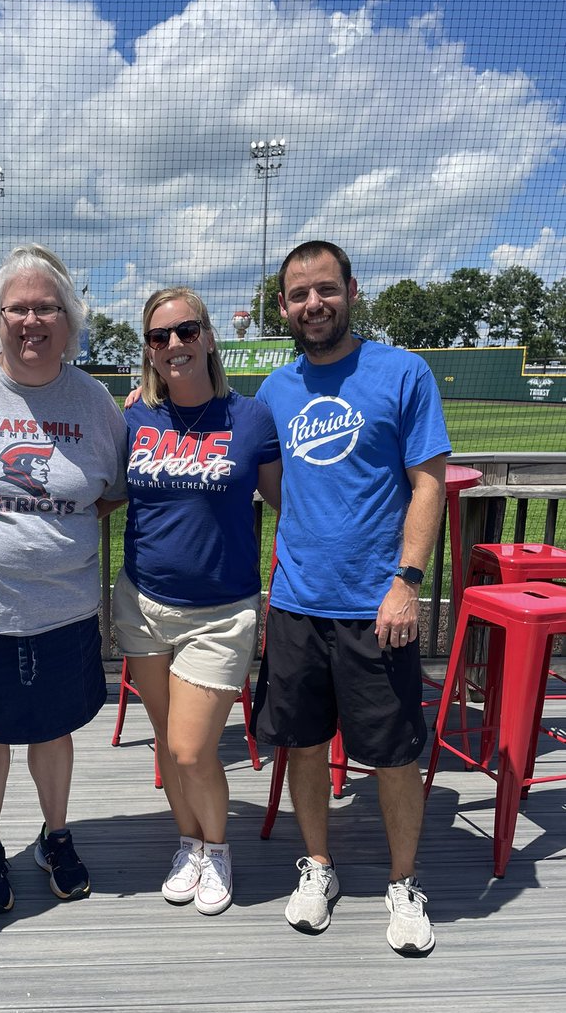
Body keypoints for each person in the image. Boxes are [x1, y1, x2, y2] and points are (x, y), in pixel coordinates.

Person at [251, 240, 450, 955]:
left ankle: (403, 883)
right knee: (302, 746)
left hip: (378, 607)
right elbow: (266, 476)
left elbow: (428, 480)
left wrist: (409, 581)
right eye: (299, 294)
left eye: (325, 289)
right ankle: (320, 866)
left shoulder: (402, 372)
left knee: (394, 755)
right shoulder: (277, 389)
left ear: (351, 290)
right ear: (284, 306)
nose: (313, 304)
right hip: (298, 602)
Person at [0, 243, 127, 914]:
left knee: (55, 728)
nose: (32, 321)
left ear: (70, 320)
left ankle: (55, 834)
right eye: (19, 308)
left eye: (47, 308)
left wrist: (47, 528)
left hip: (64, 608)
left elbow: (110, 490)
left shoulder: (96, 403)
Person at [115, 287, 279, 915]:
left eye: (185, 331)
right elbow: (95, 491)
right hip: (143, 602)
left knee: (192, 748)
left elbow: (287, 504)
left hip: (221, 612)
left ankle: (219, 848)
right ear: (149, 352)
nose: (174, 345)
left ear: (209, 337)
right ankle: (189, 844)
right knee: (164, 736)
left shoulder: (252, 417)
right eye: (159, 337)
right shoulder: (133, 420)